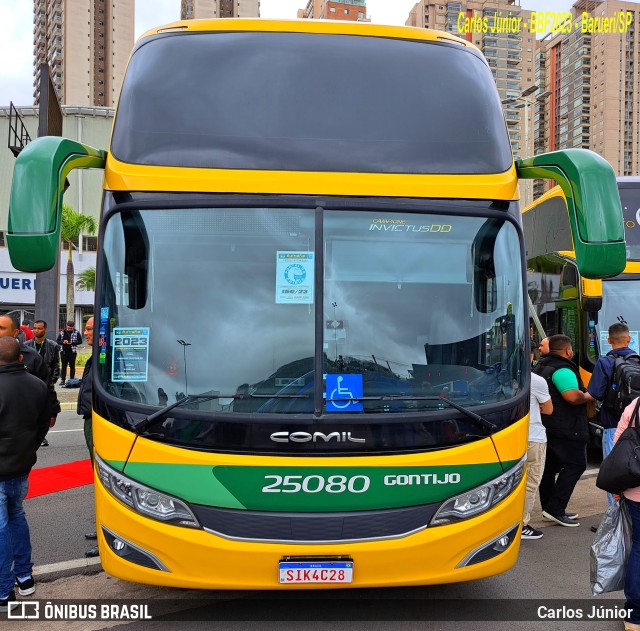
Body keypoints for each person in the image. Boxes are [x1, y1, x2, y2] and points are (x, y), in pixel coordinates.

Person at [0, 336, 49, 612]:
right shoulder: (38, 385)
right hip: (22, 465)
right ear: (21, 358)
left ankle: (4, 591)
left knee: (2, 526)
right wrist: (29, 448)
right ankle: (24, 577)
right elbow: (43, 425)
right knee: (16, 516)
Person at [533, 334, 590, 527]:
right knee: (576, 465)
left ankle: (550, 507)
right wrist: (588, 396)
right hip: (567, 426)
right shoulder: (563, 369)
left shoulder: (542, 366)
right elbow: (572, 397)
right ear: (567, 350)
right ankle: (555, 509)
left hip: (548, 425)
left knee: (549, 467)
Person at [585, 322, 635, 505]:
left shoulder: (605, 362)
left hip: (613, 426)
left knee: (614, 474)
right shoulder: (638, 361)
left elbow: (594, 394)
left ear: (608, 340)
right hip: (637, 425)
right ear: (629, 339)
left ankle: (615, 523)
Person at [0, 315, 60, 443]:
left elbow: (46, 385)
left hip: (20, 428)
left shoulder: (31, 356)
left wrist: (53, 410)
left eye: (1, 328)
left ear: (15, 332)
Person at [613, 399, 640, 631]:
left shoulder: (636, 406)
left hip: (635, 491)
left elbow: (618, 446)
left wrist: (617, 488)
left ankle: (634, 616)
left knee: (639, 547)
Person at [522, 351, 553, 540]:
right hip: (533, 437)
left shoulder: (499, 378)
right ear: (531, 356)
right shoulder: (536, 380)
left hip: (507, 436)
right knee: (530, 483)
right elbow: (548, 409)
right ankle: (521, 524)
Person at [77, 317, 98, 557]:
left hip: (99, 421)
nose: (86, 332)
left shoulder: (105, 357)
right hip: (89, 419)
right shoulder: (94, 357)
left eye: (90, 328)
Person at [26, 320, 61, 447]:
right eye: (34, 328)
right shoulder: (26, 345)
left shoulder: (53, 345)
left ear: (45, 329)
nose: (36, 330)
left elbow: (56, 364)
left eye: (39, 328)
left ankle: (42, 436)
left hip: (45, 384)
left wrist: (53, 379)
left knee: (44, 410)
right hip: (30, 384)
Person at [56, 320, 82, 386]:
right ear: (66, 326)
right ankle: (63, 380)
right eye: (68, 328)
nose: (69, 329)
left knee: (72, 366)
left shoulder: (76, 332)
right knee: (63, 366)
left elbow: (80, 341)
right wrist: (63, 342)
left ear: (73, 327)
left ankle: (72, 379)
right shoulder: (62, 332)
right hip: (63, 351)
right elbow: (58, 341)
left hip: (72, 352)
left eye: (71, 328)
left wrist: (72, 343)